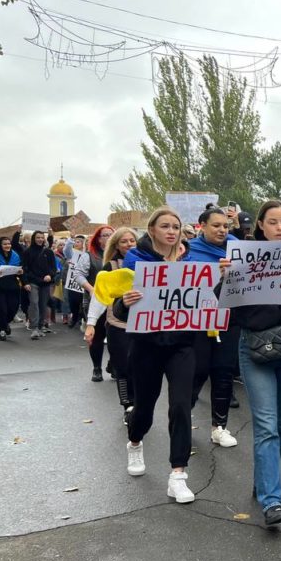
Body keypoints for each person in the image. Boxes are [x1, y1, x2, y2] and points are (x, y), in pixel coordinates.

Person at [224, 201, 281, 525]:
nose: (279, 227)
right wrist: (228, 278)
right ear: (260, 225)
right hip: (255, 349)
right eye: (272, 221)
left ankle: (263, 482)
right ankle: (272, 500)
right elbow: (225, 303)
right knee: (266, 424)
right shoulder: (243, 258)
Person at [115, 208, 198, 504]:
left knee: (180, 406)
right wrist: (124, 302)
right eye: (165, 226)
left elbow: (206, 299)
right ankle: (135, 441)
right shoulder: (135, 261)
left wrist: (220, 277)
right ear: (152, 229)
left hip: (182, 345)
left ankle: (178, 475)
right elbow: (117, 308)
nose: (172, 231)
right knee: (145, 408)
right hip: (146, 344)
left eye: (176, 226)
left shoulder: (191, 263)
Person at [186, 208, 240, 450]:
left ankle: (219, 427)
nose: (222, 230)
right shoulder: (188, 251)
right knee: (196, 372)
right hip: (198, 322)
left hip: (228, 320)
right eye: (216, 225)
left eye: (225, 226)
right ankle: (182, 418)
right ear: (202, 226)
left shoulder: (238, 250)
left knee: (224, 373)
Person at [86, 228, 138, 423]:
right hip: (119, 325)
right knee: (123, 367)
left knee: (140, 367)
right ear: (116, 245)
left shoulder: (149, 264)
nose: (129, 244)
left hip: (144, 325)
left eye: (132, 240)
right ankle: (128, 405)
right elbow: (99, 298)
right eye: (124, 241)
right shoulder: (110, 267)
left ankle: (140, 403)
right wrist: (91, 324)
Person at [74, 226, 113, 381]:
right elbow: (78, 274)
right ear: (98, 238)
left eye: (112, 235)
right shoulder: (89, 256)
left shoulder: (120, 255)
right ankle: (97, 367)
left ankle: (114, 364)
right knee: (97, 336)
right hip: (94, 300)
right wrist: (91, 289)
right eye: (105, 235)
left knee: (116, 336)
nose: (109, 237)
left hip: (116, 303)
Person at [22, 230, 56, 339]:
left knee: (43, 305)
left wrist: (50, 275)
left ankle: (41, 326)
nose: (40, 239)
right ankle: (34, 328)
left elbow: (53, 268)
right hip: (33, 282)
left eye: (42, 237)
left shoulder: (49, 252)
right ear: (33, 238)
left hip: (45, 283)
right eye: (38, 237)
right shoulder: (27, 252)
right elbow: (24, 268)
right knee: (34, 303)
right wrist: (25, 282)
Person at [0, 236, 23, 341]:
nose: (7, 246)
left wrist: (20, 271)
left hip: (14, 286)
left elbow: (20, 268)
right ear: (0, 245)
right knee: (2, 310)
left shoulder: (15, 255)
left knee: (13, 309)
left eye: (9, 244)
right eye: (5, 244)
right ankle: (2, 331)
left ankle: (6, 323)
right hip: (0, 286)